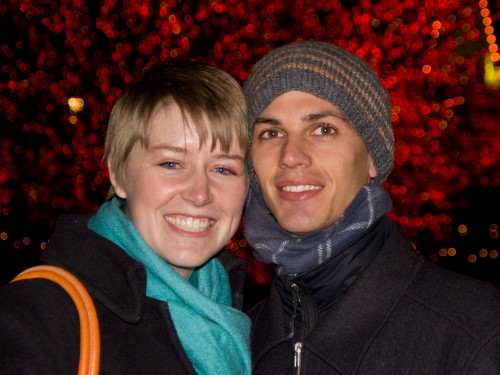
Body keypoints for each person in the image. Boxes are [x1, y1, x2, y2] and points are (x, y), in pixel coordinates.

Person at [242, 41, 500, 374]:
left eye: (323, 129)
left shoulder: (473, 330)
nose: (290, 155)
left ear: (372, 159)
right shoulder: (236, 344)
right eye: (271, 132)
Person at [0, 61, 251, 374]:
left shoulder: (244, 316)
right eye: (171, 164)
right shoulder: (40, 315)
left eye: (223, 169)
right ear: (117, 174)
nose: (200, 194)